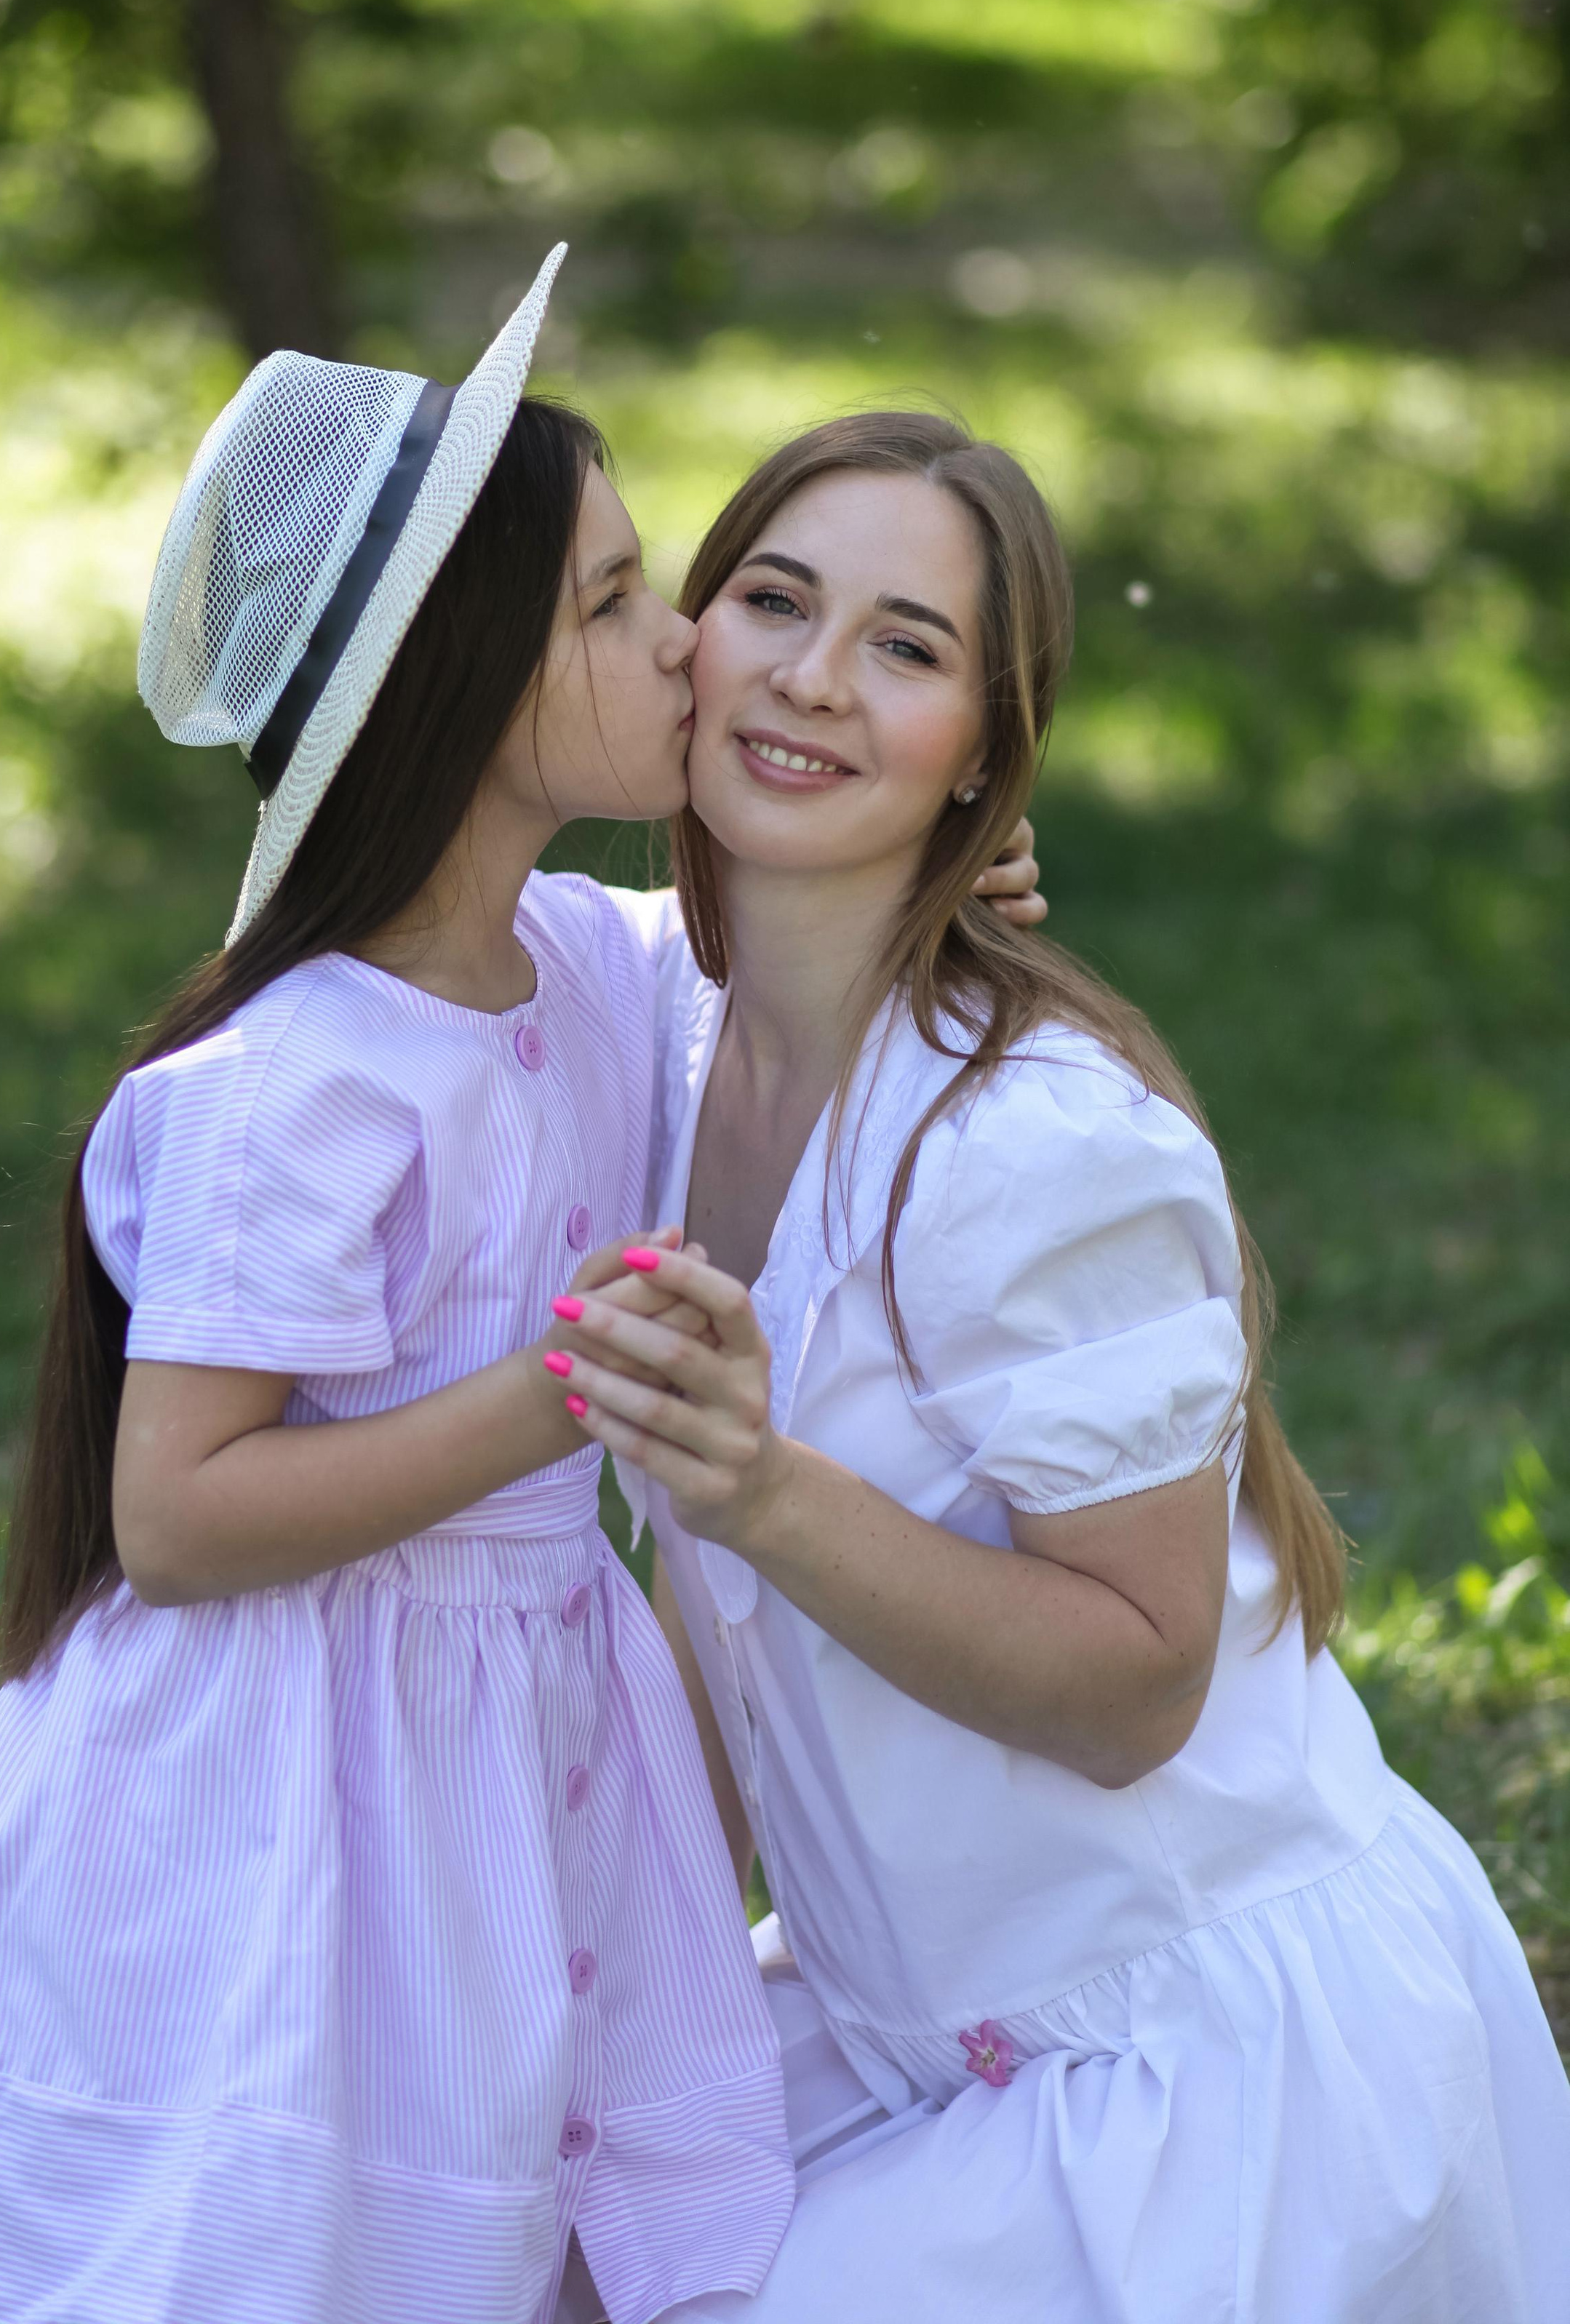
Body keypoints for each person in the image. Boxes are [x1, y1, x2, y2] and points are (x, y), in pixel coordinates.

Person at [554, 411, 1570, 2321]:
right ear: (684, 640)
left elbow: (1134, 1687)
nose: (817, 679)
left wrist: (766, 1489)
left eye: (910, 650)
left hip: (1192, 2068)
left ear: (982, 763)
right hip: (891, 2003)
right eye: (773, 601)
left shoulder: (1032, 1146)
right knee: (443, 2238)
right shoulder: (646, 1038)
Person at [0, 249, 816, 2324]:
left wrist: (948, 875)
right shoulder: (296, 1088)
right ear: (456, 695)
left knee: (520, 2169)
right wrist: (551, 1393)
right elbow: (181, 1517)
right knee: (289, 2198)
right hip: (301, 1751)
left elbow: (778, 979)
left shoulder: (579, 962)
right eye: (611, 603)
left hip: (511, 1704)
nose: (683, 640)